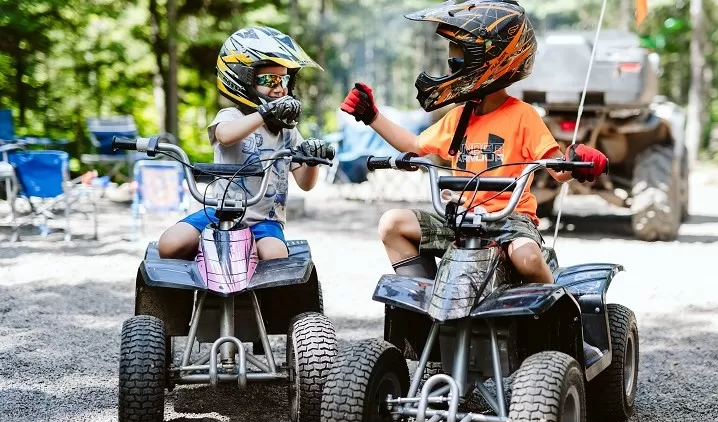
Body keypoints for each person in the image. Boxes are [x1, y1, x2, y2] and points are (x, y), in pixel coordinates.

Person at [340, 0, 609, 363]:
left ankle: (565, 325)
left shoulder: (523, 116)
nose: (450, 65)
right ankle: (436, 314)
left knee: (527, 256)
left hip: (510, 221)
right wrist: (372, 116)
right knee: (393, 224)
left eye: (457, 57)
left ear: (490, 61)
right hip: (461, 219)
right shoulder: (459, 116)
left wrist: (578, 161)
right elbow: (414, 146)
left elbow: (555, 166)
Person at [158, 26, 332, 261]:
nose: (280, 87)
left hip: (264, 221)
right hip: (219, 213)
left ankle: (258, 291)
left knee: (276, 255)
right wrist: (265, 114)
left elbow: (305, 184)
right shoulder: (232, 116)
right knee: (170, 244)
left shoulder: (288, 131)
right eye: (271, 79)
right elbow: (226, 136)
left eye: (284, 79)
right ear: (243, 79)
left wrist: (311, 160)